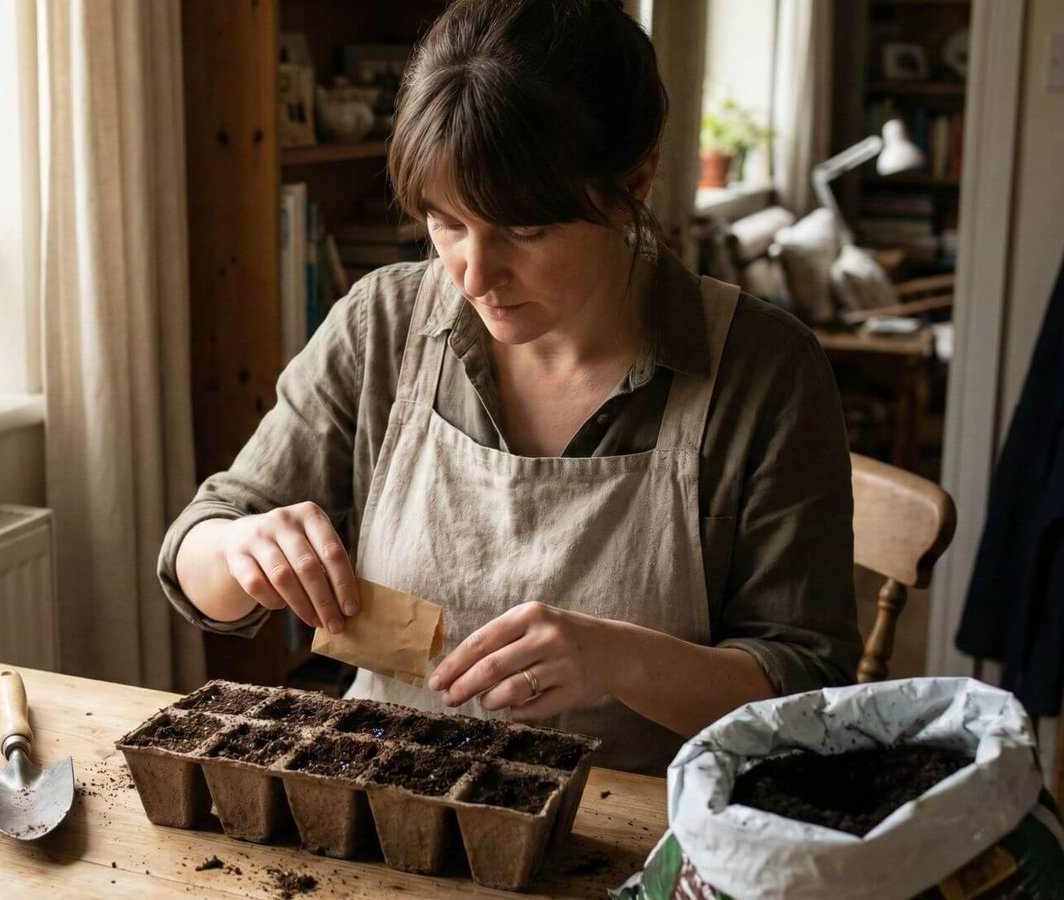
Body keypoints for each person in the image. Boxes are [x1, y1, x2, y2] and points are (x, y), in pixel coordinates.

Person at [158, 0, 861, 774]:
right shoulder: (383, 326)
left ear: (636, 178)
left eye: (525, 232)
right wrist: (239, 548)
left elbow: (812, 698)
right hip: (386, 807)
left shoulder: (764, 374)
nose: (475, 275)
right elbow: (198, 562)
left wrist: (625, 661)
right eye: (446, 222)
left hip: (643, 840)